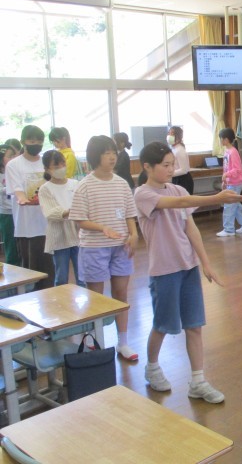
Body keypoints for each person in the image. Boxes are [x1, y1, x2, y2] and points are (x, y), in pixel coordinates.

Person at [134, 142, 242, 403]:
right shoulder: (142, 194)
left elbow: (190, 228)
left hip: (188, 267)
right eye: (166, 165)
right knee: (162, 325)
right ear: (147, 167)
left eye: (172, 164)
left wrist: (205, 263)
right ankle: (152, 367)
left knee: (194, 325)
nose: (171, 169)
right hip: (164, 270)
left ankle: (198, 381)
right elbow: (180, 202)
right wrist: (216, 198)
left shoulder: (178, 188)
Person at [69, 135, 139, 361]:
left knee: (121, 294)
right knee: (96, 297)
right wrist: (102, 228)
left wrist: (134, 234)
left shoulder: (121, 183)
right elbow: (80, 220)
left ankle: (123, 342)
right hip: (94, 247)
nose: (112, 157)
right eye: (106, 153)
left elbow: (130, 214)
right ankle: (93, 340)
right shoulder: (84, 186)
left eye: (113, 152)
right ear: (94, 156)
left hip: (121, 247)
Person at [5, 125, 55, 289]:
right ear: (23, 142)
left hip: (48, 223)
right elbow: (17, 190)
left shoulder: (46, 162)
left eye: (39, 141)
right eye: (32, 141)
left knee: (50, 269)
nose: (36, 144)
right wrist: (24, 199)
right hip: (27, 226)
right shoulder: (14, 165)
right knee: (31, 270)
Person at [38, 150, 83, 287]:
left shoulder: (75, 184)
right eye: (56, 166)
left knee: (82, 275)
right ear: (47, 169)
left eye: (63, 164)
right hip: (59, 236)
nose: (61, 168)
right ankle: (60, 299)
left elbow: (83, 204)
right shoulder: (45, 189)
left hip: (78, 234)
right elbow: (50, 212)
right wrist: (69, 212)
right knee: (61, 276)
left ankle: (88, 298)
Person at [216, 128, 242, 237]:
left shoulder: (233, 152)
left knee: (229, 205)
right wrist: (225, 180)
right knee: (235, 205)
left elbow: (237, 169)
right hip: (230, 182)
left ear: (226, 139)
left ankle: (229, 229)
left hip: (235, 183)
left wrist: (226, 175)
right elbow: (226, 168)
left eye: (221, 138)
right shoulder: (227, 151)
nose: (220, 140)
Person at [0, 144, 21, 266]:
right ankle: (12, 269)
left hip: (19, 210)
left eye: (14, 155)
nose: (13, 158)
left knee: (21, 243)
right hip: (6, 213)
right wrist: (11, 188)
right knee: (11, 244)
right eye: (10, 156)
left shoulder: (15, 171)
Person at [167, 126, 194, 195]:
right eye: (168, 133)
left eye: (172, 134)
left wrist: (169, 174)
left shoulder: (180, 150)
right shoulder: (174, 149)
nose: (169, 136)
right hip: (177, 178)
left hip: (183, 180)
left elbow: (184, 170)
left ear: (178, 137)